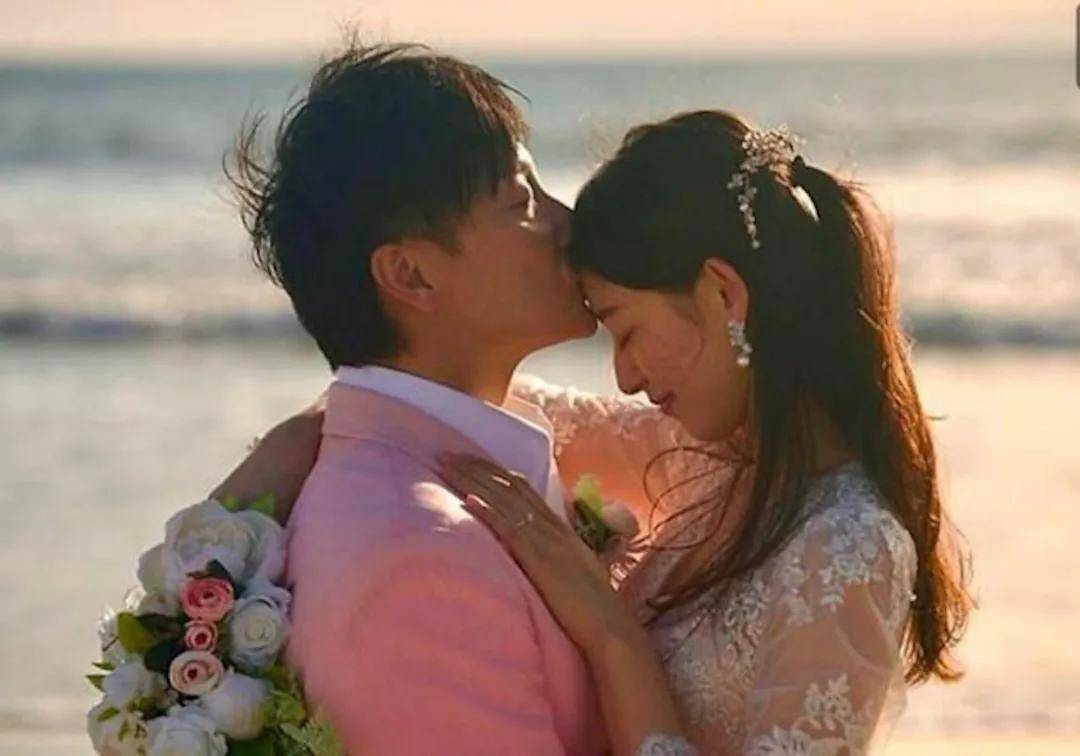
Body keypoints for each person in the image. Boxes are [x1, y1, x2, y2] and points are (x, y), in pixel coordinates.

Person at [437, 111, 972, 754]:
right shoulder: (705, 454)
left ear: (723, 294)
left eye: (627, 330)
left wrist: (611, 634)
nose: (625, 376)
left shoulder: (847, 546)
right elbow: (491, 406)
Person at [216, 41, 692, 755]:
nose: (567, 222)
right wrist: (613, 638)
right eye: (522, 201)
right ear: (412, 275)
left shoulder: (442, 471)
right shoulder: (419, 558)